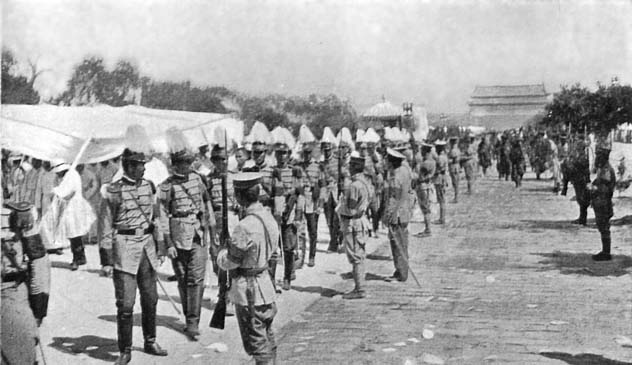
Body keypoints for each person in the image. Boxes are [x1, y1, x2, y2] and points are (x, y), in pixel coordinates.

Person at [102, 148, 168, 365]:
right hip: (124, 251)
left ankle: (150, 341)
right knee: (126, 305)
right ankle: (125, 350)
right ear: (129, 166)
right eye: (140, 164)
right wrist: (107, 260)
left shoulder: (149, 186)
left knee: (151, 299)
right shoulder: (113, 191)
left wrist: (161, 247)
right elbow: (104, 227)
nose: (144, 167)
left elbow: (157, 217)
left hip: (147, 250)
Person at [217, 172, 280, 365]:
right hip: (266, 287)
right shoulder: (269, 218)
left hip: (248, 292)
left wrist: (221, 254)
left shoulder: (244, 226)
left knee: (257, 347)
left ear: (239, 196)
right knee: (268, 340)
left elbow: (232, 262)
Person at [159, 148, 214, 340]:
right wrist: (168, 243)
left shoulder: (198, 180)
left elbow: (207, 202)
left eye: (189, 162)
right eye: (184, 163)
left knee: (196, 279)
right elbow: (162, 216)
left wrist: (210, 225)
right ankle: (189, 315)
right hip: (178, 236)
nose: (188, 166)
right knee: (183, 279)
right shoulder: (166, 187)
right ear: (175, 165)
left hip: (197, 233)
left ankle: (193, 322)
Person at [1, 201, 51, 364]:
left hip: (9, 292)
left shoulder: (17, 215)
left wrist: (38, 306)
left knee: (20, 354)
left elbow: (39, 261)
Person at [43, 161, 96, 270]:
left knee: (74, 233)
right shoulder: (63, 177)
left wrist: (55, 191)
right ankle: (81, 257)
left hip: (74, 208)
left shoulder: (71, 176)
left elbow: (68, 193)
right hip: (68, 208)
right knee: (74, 234)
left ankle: (76, 258)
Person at [337, 152, 373, 299]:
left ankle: (360, 289)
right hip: (361, 221)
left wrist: (340, 205)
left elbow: (351, 206)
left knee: (355, 257)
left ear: (353, 167)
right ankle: (360, 287)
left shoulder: (354, 186)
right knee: (360, 255)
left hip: (353, 223)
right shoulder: (366, 182)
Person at [383, 148, 412, 282]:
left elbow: (394, 198)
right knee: (401, 243)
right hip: (404, 211)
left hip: (398, 214)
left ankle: (402, 273)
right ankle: (400, 270)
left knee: (397, 244)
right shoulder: (404, 170)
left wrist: (389, 215)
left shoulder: (395, 176)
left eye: (387, 159)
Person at [589, 146, 616, 261]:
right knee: (602, 226)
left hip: (603, 203)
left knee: (604, 226)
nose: (597, 158)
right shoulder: (603, 168)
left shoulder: (606, 170)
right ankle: (605, 251)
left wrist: (594, 188)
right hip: (600, 202)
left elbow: (604, 188)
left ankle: (606, 253)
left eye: (599, 156)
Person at [297, 142, 322, 267]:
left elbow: (322, 185)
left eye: (308, 153)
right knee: (300, 231)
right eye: (304, 153)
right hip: (301, 200)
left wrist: (320, 204)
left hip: (312, 201)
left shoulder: (316, 167)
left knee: (313, 231)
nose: (306, 156)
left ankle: (312, 256)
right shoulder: (298, 166)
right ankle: (300, 258)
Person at [567, 135, 591, 225]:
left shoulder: (583, 158)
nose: (576, 148)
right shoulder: (579, 157)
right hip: (578, 180)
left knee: (582, 199)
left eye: (578, 147)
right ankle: (581, 218)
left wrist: (572, 163)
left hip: (582, 180)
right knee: (580, 199)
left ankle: (583, 219)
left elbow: (581, 167)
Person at [415, 143, 436, 236]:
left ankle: (428, 230)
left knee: (425, 208)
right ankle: (428, 228)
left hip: (423, 186)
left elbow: (421, 176)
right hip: (428, 185)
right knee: (427, 207)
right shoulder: (432, 161)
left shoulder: (425, 163)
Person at [433, 140, 449, 225]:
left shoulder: (440, 158)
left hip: (439, 179)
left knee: (441, 200)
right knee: (441, 199)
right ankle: (442, 217)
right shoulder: (444, 156)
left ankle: (442, 218)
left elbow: (439, 169)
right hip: (442, 178)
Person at [447, 137, 461, 203]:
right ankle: (456, 197)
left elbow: (454, 160)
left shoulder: (453, 151)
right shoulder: (457, 149)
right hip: (457, 167)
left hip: (453, 167)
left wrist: (447, 161)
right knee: (456, 183)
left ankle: (456, 198)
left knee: (455, 183)